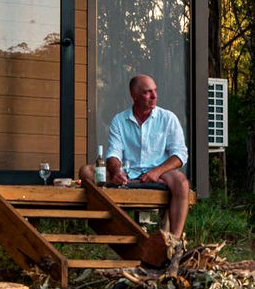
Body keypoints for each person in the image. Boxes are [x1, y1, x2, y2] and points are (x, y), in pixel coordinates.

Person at [81, 74, 190, 235]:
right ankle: (115, 228)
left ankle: (174, 242)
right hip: (128, 175)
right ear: (134, 96)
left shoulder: (168, 118)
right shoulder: (119, 120)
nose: (154, 96)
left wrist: (156, 172)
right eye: (147, 92)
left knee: (182, 183)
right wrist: (117, 171)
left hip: (161, 173)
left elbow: (180, 155)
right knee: (86, 171)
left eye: (155, 91)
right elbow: (113, 155)